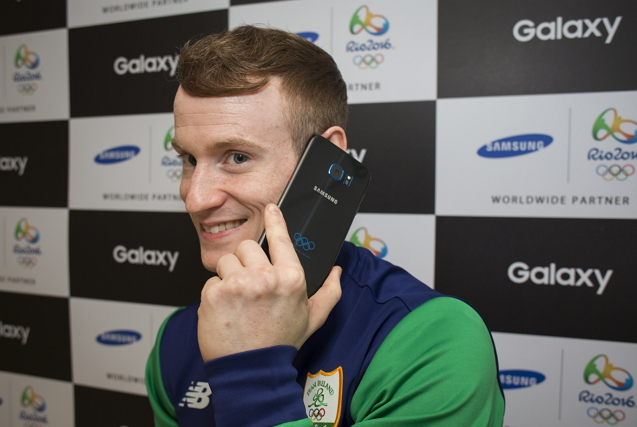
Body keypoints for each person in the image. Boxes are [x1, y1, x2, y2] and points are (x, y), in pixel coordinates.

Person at [145, 25, 504, 427]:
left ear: (326, 160)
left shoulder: (435, 342)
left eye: (237, 157)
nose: (196, 198)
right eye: (189, 160)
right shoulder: (176, 338)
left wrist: (250, 372)